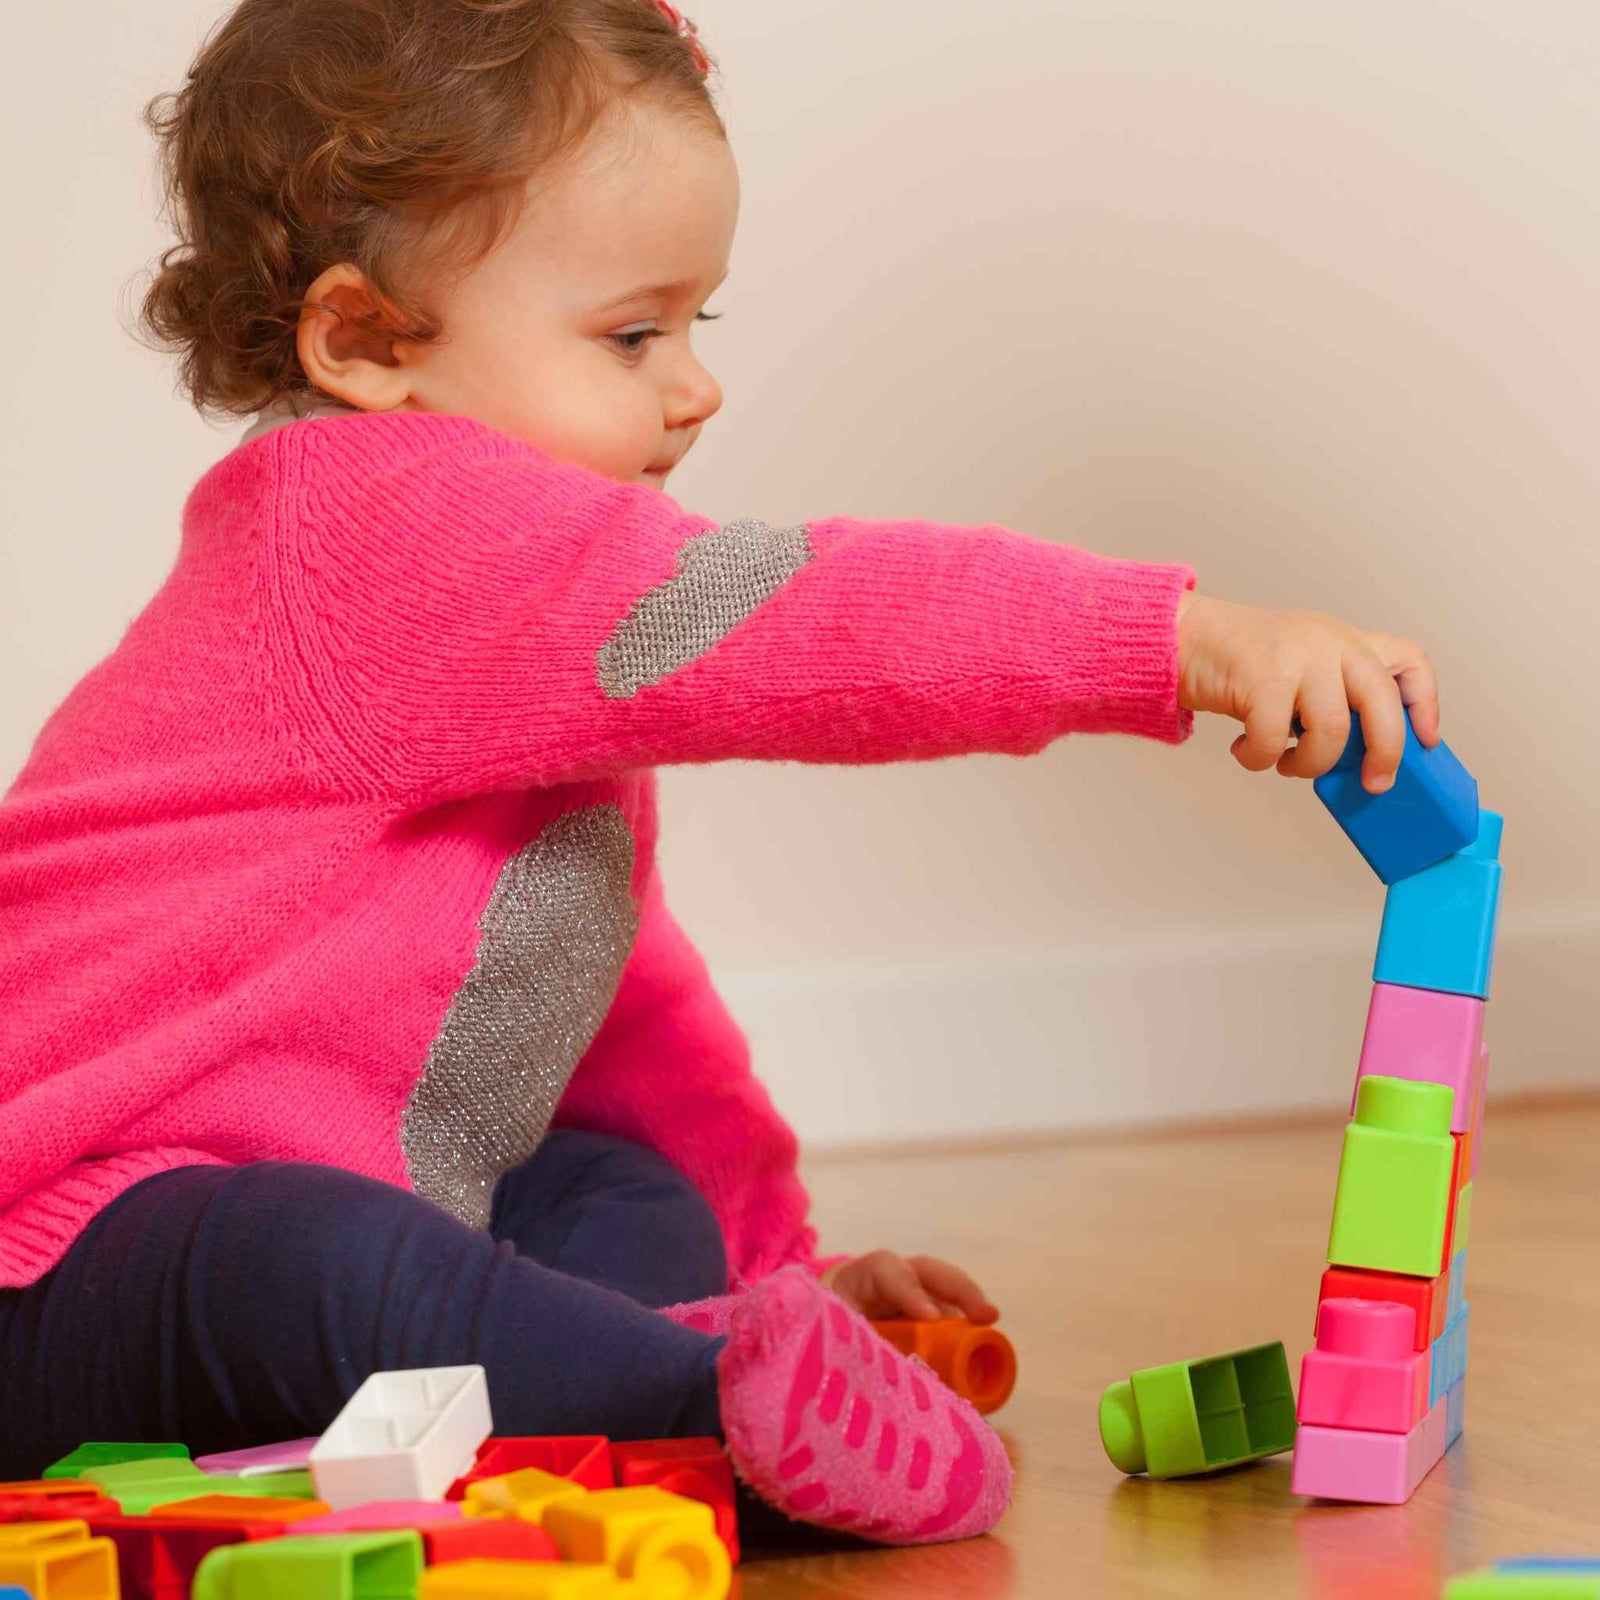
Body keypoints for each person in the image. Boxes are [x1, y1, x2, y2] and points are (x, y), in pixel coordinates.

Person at [0, 0, 1441, 1545]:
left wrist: (778, 1271)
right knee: (313, 1262)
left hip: (342, 1221)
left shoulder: (499, 630)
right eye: (632, 334)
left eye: (702, 325)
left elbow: (602, 1004)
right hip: (68, 1253)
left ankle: (717, 1360)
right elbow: (797, 612)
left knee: (622, 1191)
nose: (695, 388)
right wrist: (1178, 643)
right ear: (363, 342)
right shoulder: (378, 534)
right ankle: (706, 1419)